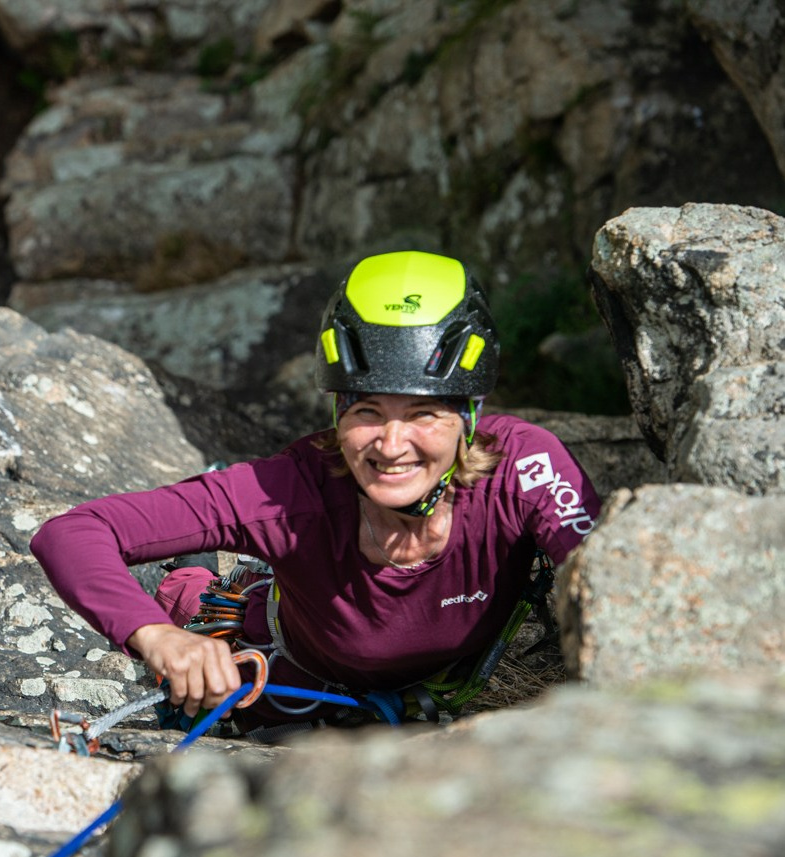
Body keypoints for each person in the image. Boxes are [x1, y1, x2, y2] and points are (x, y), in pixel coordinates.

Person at [30, 250, 602, 737]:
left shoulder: (524, 468)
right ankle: (194, 563)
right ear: (336, 412)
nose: (392, 444)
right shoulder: (289, 489)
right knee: (194, 599)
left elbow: (611, 574)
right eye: (367, 411)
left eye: (423, 413)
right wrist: (155, 636)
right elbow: (72, 533)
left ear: (469, 420)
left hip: (428, 685)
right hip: (294, 677)